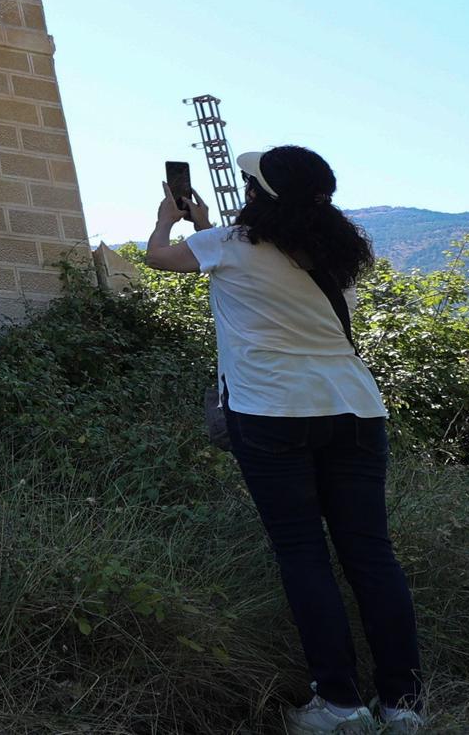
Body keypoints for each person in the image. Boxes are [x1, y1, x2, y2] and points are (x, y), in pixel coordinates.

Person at [144, 145, 424, 733]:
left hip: (271, 413)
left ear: (258, 196)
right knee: (372, 556)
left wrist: (171, 218)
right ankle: (403, 705)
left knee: (303, 554)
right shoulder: (335, 255)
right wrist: (206, 227)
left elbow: (158, 259)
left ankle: (340, 705)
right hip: (355, 409)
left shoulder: (227, 243)